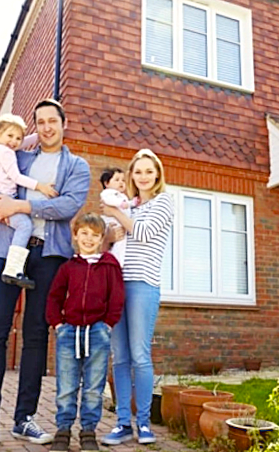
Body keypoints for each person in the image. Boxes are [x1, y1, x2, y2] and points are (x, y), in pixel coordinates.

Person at [0, 98, 90, 452]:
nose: (46, 127)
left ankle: (24, 418)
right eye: (40, 122)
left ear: (64, 124)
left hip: (48, 256)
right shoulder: (18, 156)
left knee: (36, 335)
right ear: (35, 128)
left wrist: (20, 205)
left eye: (52, 121)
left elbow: (67, 205)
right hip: (6, 249)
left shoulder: (77, 166)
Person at [99, 149, 174, 446]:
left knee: (140, 356)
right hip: (118, 284)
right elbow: (111, 239)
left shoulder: (163, 201)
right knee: (119, 356)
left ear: (157, 175)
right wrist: (112, 226)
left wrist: (114, 213)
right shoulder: (130, 205)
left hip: (143, 284)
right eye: (138, 171)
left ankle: (143, 423)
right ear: (131, 175)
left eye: (148, 171)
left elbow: (142, 233)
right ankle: (122, 423)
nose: (143, 176)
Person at [46, 213, 125, 452]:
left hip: (98, 333)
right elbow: (54, 297)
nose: (89, 239)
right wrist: (58, 324)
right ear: (75, 235)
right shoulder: (68, 268)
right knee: (66, 385)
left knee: (93, 387)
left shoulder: (109, 266)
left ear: (102, 239)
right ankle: (63, 430)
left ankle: (88, 431)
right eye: (84, 233)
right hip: (69, 333)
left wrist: (108, 324)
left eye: (94, 235)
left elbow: (117, 297)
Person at [0, 113, 58, 290]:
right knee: (24, 226)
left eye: (18, 138)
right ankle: (13, 270)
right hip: (1, 201)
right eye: (10, 136)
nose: (14, 141)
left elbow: (21, 143)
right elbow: (16, 177)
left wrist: (40, 134)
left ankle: (4, 270)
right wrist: (41, 187)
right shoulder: (6, 153)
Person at [99, 167, 130, 266]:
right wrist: (121, 203)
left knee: (121, 243)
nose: (121, 182)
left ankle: (117, 262)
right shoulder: (108, 193)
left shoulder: (122, 196)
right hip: (112, 222)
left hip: (120, 223)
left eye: (123, 180)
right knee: (117, 242)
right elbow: (109, 200)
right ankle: (115, 262)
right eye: (117, 180)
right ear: (106, 183)